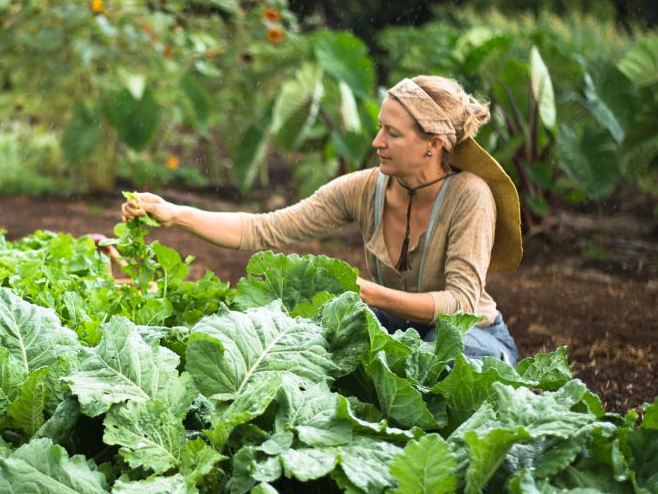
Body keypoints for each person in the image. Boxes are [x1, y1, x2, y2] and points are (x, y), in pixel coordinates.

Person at [121, 75, 524, 364]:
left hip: (473, 337)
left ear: (433, 145)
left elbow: (460, 305)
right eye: (380, 128)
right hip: (396, 330)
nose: (376, 142)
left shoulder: (470, 196)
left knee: (445, 363)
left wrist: (366, 292)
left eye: (393, 134)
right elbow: (266, 229)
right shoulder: (364, 188)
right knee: (307, 339)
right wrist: (174, 215)